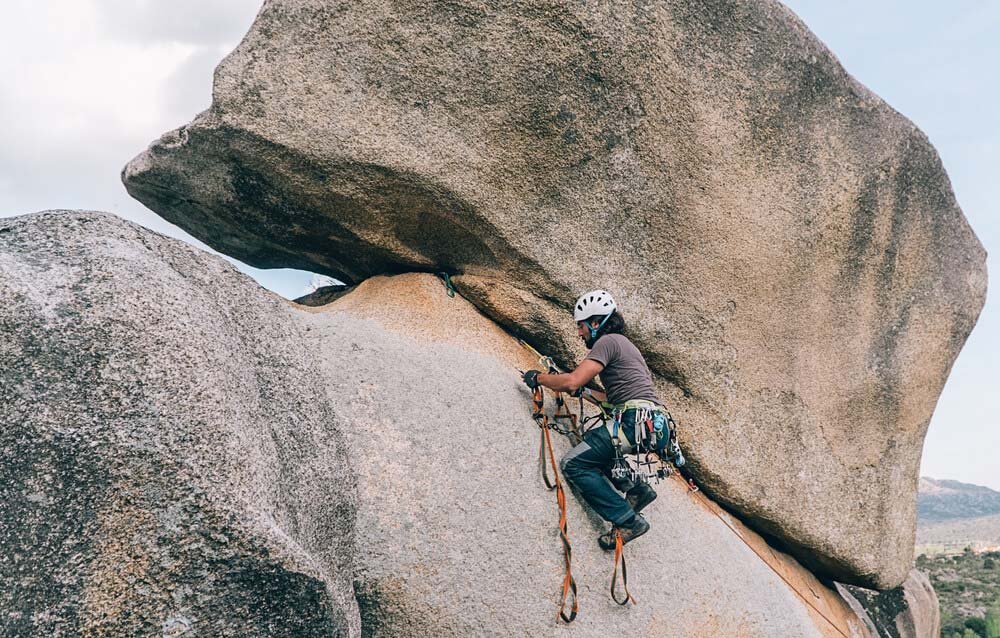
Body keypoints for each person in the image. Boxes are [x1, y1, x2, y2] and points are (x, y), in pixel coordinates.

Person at [522, 289, 661, 549]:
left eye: (581, 326)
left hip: (633, 421)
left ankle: (629, 521)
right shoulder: (627, 347)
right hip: (652, 423)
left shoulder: (607, 342)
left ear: (596, 322)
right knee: (594, 445)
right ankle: (637, 489)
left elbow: (573, 379)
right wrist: (584, 391)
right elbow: (610, 396)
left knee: (574, 463)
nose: (579, 333)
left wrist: (539, 378)